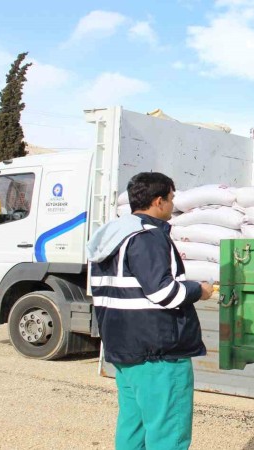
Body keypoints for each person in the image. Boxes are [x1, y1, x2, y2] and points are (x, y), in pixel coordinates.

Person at [86, 172, 214, 450]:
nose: (173, 204)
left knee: (133, 427)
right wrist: (199, 290)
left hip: (124, 350)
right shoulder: (148, 237)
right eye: (171, 198)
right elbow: (164, 292)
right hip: (158, 355)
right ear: (158, 201)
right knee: (168, 432)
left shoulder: (110, 237)